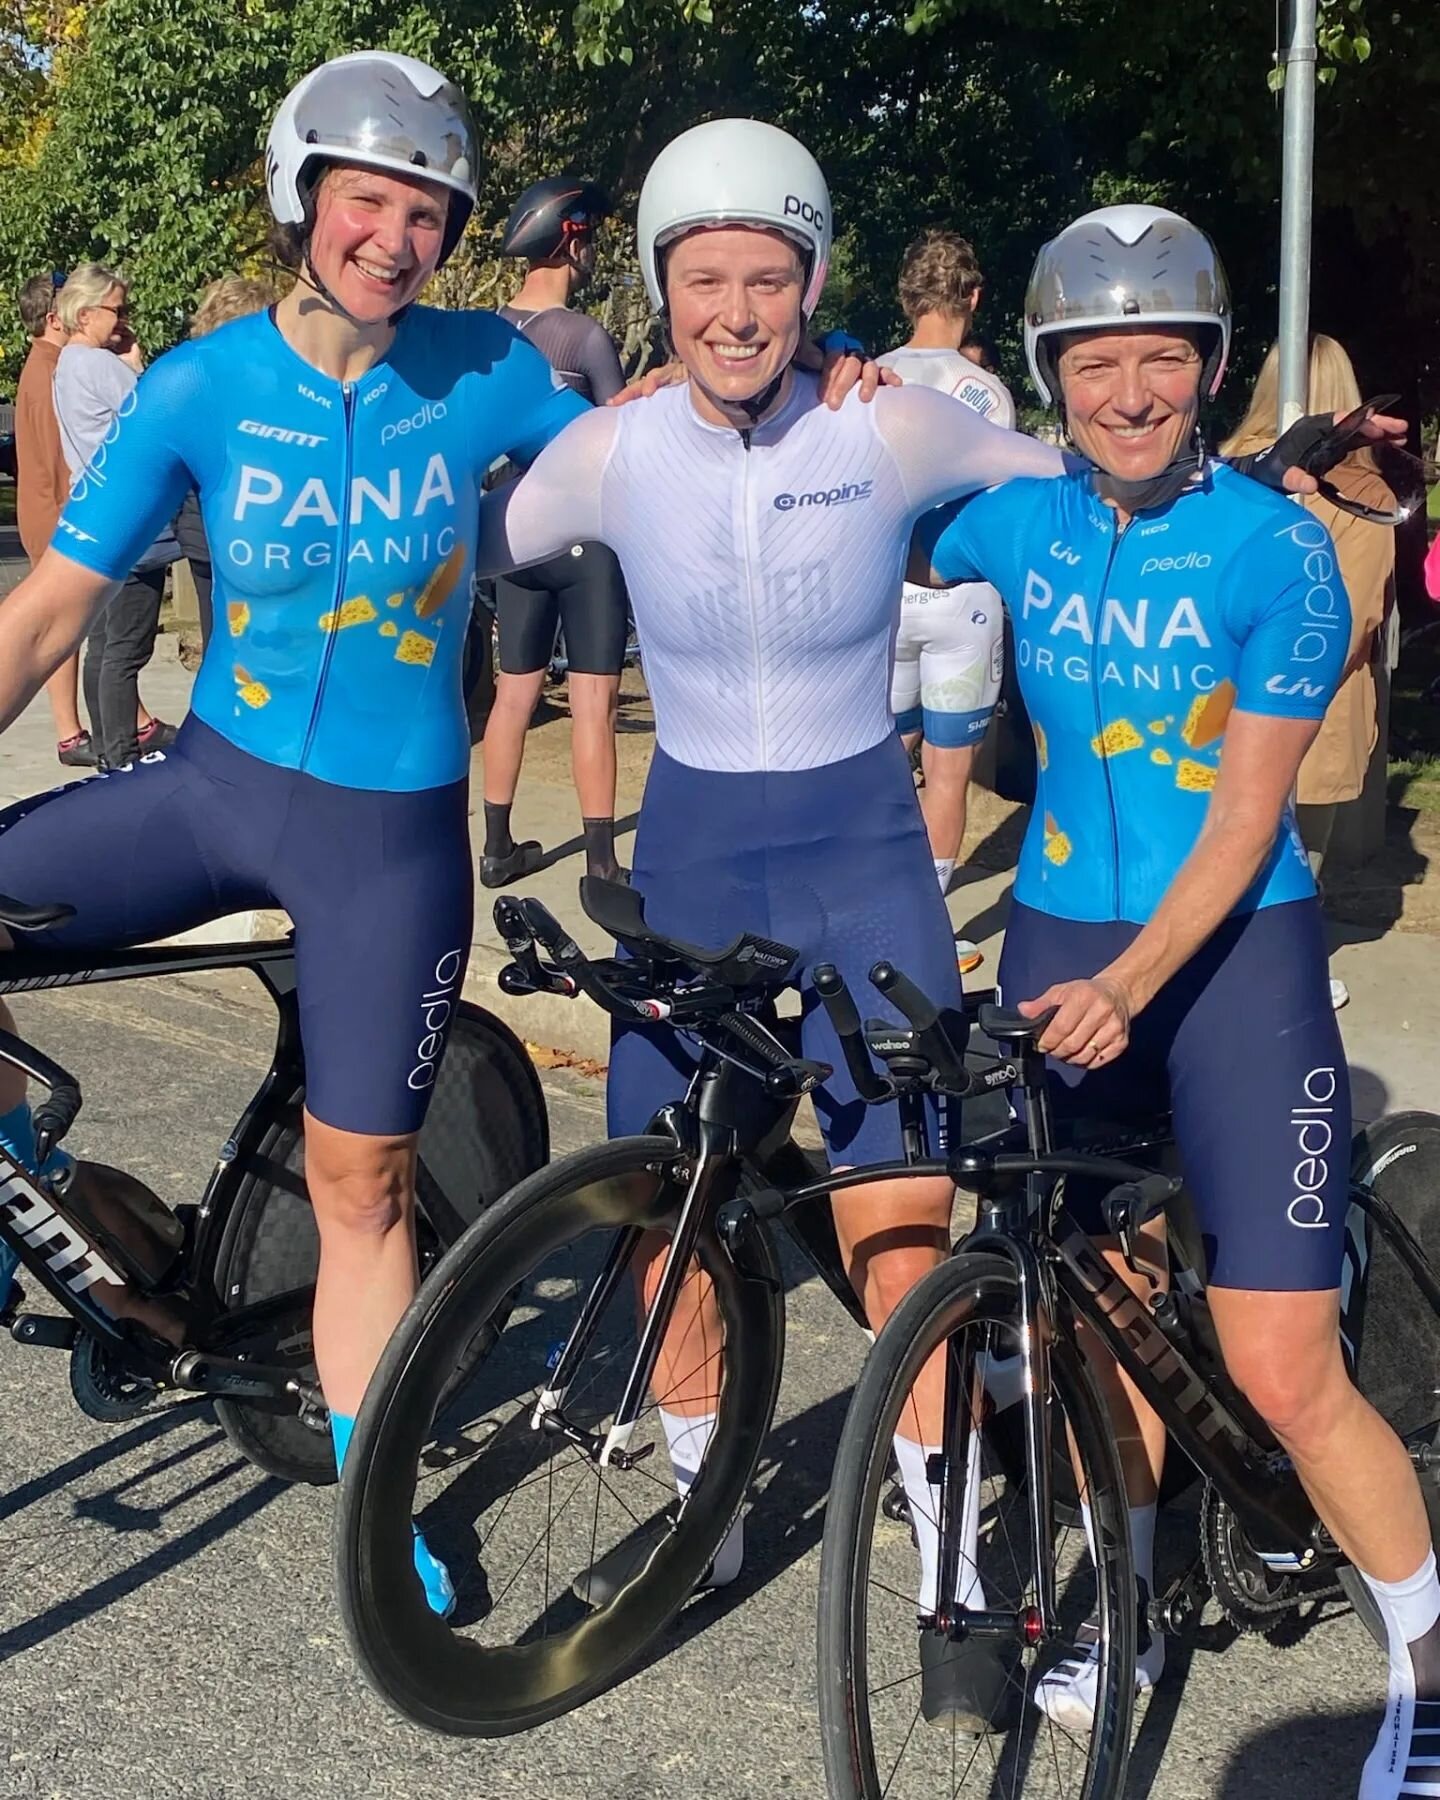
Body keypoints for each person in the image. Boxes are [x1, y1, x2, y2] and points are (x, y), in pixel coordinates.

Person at [473, 115, 1130, 1717]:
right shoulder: (606, 451)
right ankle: (697, 1505)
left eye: (771, 279)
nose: (737, 312)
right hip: (694, 850)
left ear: (817, 284)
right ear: (659, 286)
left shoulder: (893, 425)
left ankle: (954, 1576)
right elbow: (491, 539)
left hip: (861, 847)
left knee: (890, 1204)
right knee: (662, 1198)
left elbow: (1084, 475)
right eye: (705, 280)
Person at [0, 50, 590, 1614]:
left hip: (387, 839)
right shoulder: (199, 386)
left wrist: (820, 394)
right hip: (214, 786)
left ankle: (371, 1496)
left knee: (361, 1185)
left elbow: (648, 451)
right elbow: (55, 603)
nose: (394, 238)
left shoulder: (490, 365)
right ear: (300, 197)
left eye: (426, 213)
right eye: (367, 202)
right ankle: (85, 1214)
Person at [920, 204, 1435, 1792]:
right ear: (1048, 373)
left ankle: (1430, 1667)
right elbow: (854, 526)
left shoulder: (1274, 550)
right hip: (1065, 934)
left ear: (1210, 372)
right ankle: (1134, 1591)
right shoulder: (1009, 520)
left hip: (1232, 959)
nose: (1130, 392)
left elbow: (1244, 811)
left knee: (1279, 1362)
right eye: (1096, 363)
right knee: (1099, 1306)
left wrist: (1136, 983)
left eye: (1164, 362)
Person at [1223, 335, 1398, 1012]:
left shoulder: (1228, 478)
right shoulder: (1363, 493)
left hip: (1230, 699)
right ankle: (1285, 968)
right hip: (1309, 709)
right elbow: (1350, 621)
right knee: (1287, 857)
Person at [478, 174, 632, 886]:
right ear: (571, 241)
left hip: (511, 527)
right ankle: (602, 865)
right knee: (593, 701)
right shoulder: (584, 337)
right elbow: (616, 440)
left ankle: (496, 847)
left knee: (515, 691)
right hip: (581, 536)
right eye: (591, 237)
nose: (596, 250)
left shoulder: (486, 335)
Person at [878, 231, 1017, 972]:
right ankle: (927, 926)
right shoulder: (985, 391)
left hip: (886, 595)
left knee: (885, 757)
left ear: (909, 298)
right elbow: (1002, 502)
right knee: (950, 768)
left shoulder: (873, 375)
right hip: (964, 599)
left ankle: (876, 903)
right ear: (974, 297)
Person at [52, 263, 180, 769]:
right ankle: (122, 755)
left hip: (97, 515)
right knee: (127, 646)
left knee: (104, 644)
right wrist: (134, 364)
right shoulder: (100, 366)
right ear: (86, 315)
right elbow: (159, 413)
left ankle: (109, 747)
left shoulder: (66, 363)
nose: (125, 320)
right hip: (135, 524)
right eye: (118, 311)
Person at [14, 274, 95, 767]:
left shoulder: (51, 365)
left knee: (81, 624)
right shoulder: (49, 371)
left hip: (49, 511)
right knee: (63, 627)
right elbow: (57, 455)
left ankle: (134, 716)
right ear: (52, 318)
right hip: (55, 514)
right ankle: (69, 732)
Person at [175, 275, 280, 649]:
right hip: (252, 541)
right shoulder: (266, 390)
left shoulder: (190, 382)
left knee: (217, 641)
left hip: (201, 534)